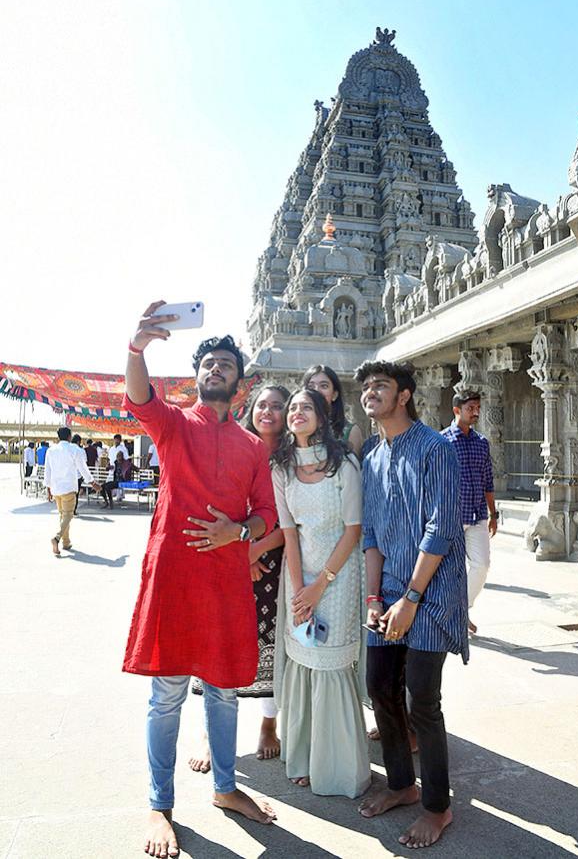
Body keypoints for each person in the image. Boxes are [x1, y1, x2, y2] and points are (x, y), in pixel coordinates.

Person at [123, 301, 278, 858]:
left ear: (239, 385)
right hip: (173, 577)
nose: (216, 370)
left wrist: (237, 531)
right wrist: (137, 347)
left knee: (223, 692)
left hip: (224, 583)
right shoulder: (171, 424)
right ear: (197, 375)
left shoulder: (252, 447)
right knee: (166, 695)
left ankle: (225, 789)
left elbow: (266, 514)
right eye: (208, 363)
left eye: (226, 366)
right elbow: (140, 397)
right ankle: (159, 804)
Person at [355, 360, 467, 850]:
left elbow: (442, 527)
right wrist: (377, 597)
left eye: (380, 385)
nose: (370, 393)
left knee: (422, 698)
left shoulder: (435, 448)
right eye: (366, 387)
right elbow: (374, 534)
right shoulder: (374, 458)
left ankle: (438, 807)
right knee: (379, 685)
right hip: (391, 593)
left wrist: (412, 599)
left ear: (404, 395)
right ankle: (402, 783)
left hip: (433, 591)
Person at [272, 387, 370, 798]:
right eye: (292, 407)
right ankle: (304, 756)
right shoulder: (281, 469)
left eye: (305, 407)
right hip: (299, 577)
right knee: (303, 660)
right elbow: (289, 534)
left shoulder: (343, 464)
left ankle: (338, 769)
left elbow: (354, 530)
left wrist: (320, 585)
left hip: (340, 576)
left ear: (322, 415)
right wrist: (299, 591)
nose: (297, 413)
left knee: (329, 665)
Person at [188, 383, 290, 772]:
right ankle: (210, 731)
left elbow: (292, 520)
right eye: (261, 405)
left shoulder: (293, 457)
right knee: (216, 641)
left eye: (277, 406)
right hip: (225, 556)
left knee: (268, 640)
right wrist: (238, 551)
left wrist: (255, 550)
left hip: (271, 559)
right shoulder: (236, 445)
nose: (268, 412)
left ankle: (268, 723)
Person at [441, 392, 497, 634]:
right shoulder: (442, 441)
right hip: (452, 517)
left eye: (477, 408)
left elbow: (488, 481)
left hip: (477, 516)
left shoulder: (482, 442)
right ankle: (453, 614)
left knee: (482, 565)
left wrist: (494, 514)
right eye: (470, 408)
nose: (475, 412)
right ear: (456, 410)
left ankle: (460, 609)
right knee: (451, 570)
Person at [44, 427, 101, 555]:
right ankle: (57, 537)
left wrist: (48, 489)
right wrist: (92, 482)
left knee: (62, 516)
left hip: (56, 488)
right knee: (68, 515)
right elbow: (82, 468)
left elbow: (48, 471)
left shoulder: (51, 450)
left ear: (58, 437)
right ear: (69, 437)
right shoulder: (74, 449)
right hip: (69, 487)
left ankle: (66, 542)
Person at [303, 364, 364, 455]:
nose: (316, 390)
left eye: (324, 386)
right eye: (311, 386)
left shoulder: (350, 431)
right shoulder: (297, 427)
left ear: (334, 395)